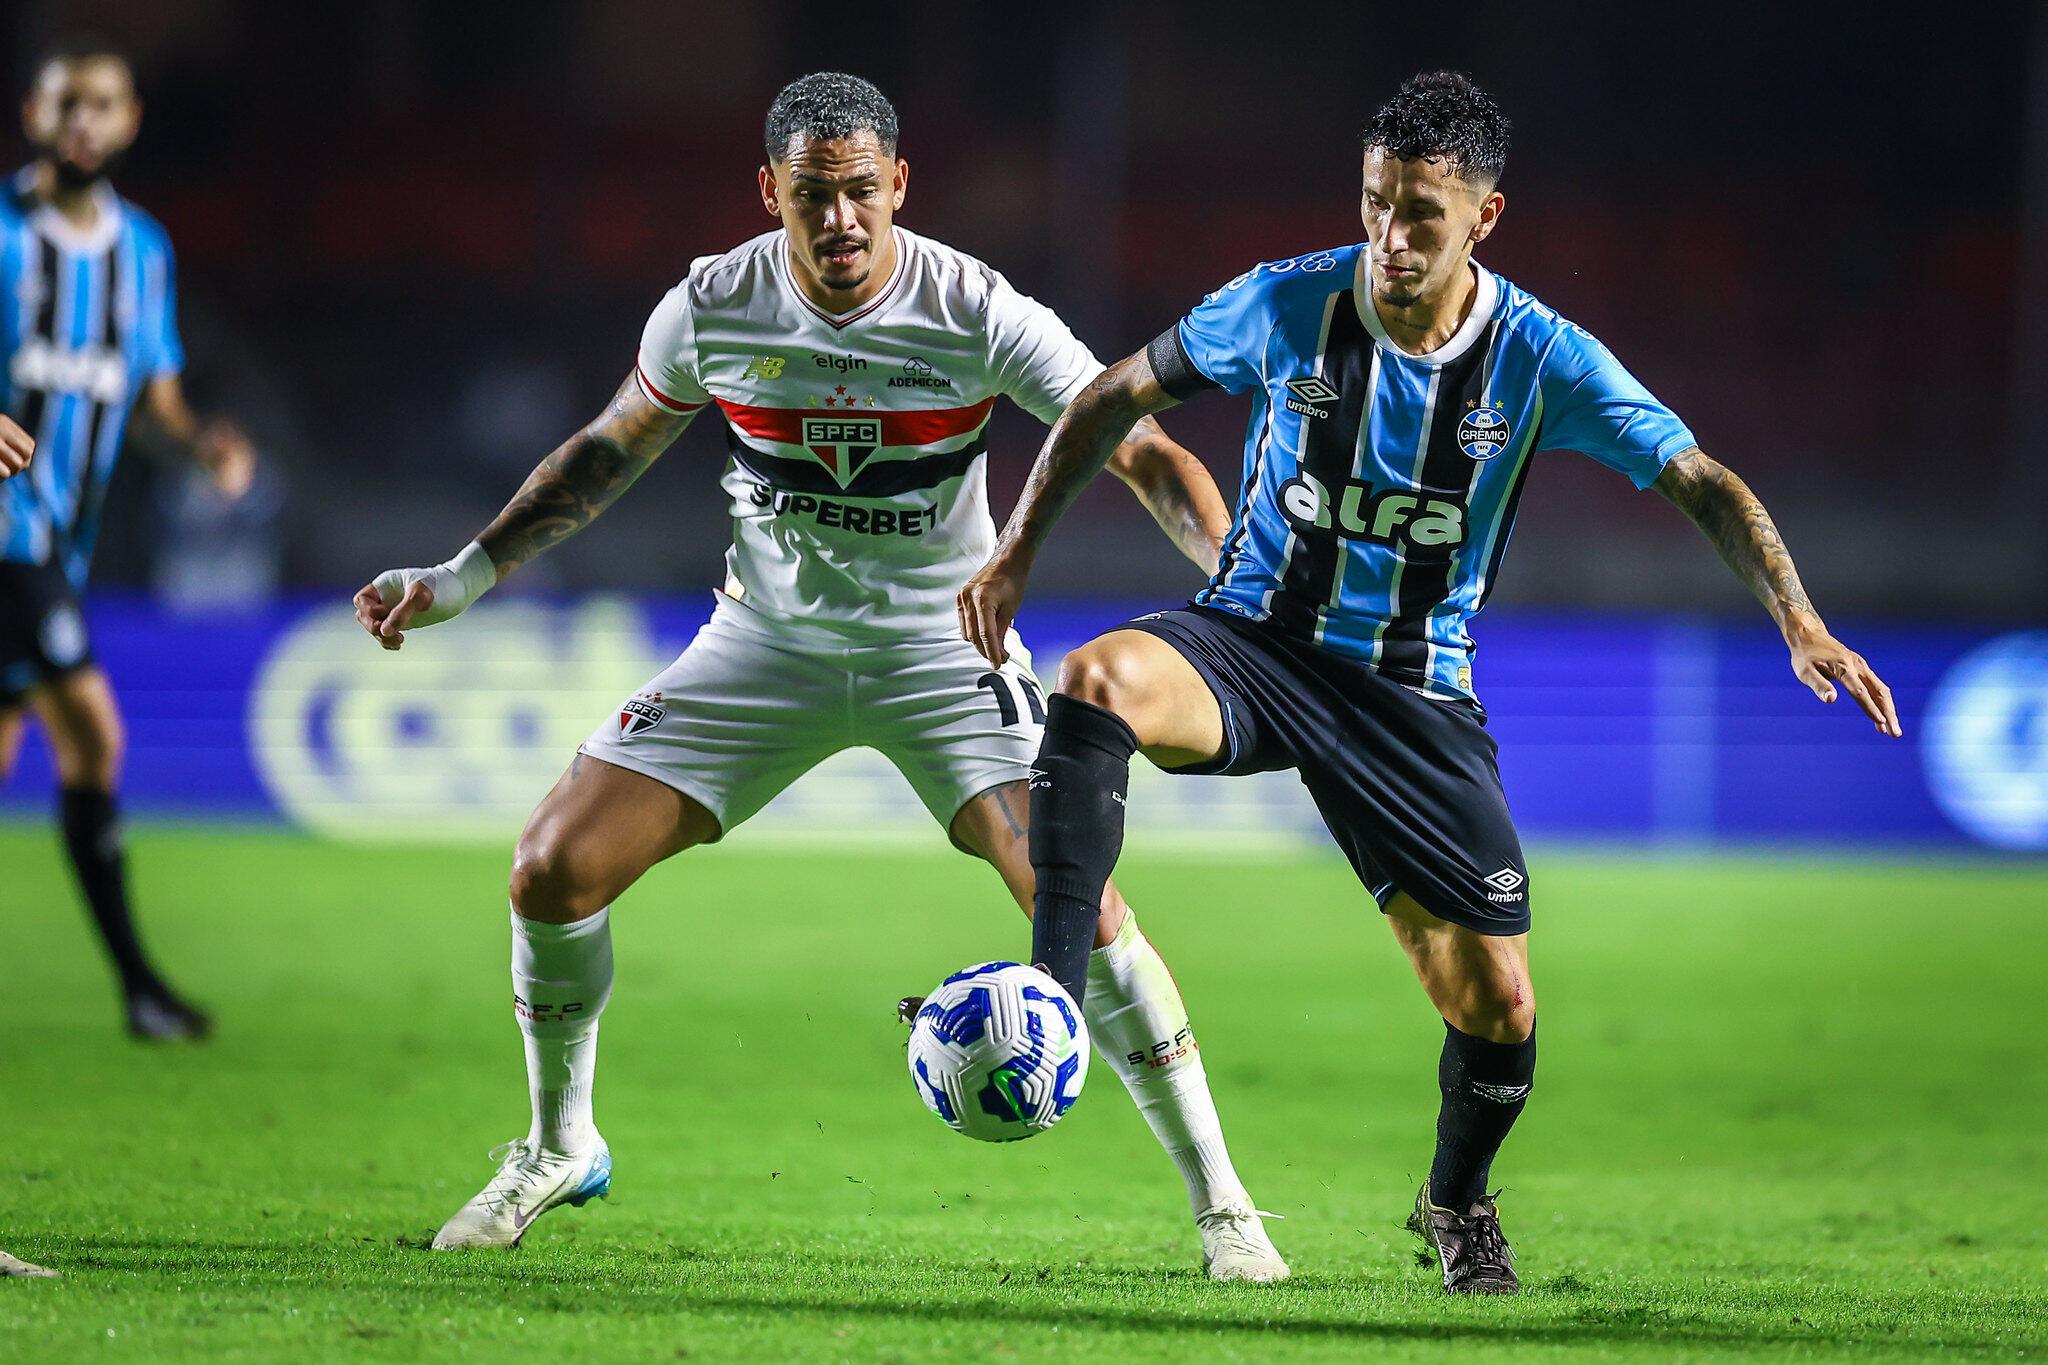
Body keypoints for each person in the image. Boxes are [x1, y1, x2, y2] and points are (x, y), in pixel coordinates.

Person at [957, 70, 1901, 1295]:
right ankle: (1047, 999)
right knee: (1098, 678)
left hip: (1411, 694)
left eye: (1421, 215)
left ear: (1483, 218)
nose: (1390, 239)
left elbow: (1700, 480)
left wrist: (1797, 616)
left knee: (1496, 1003)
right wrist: (1016, 549)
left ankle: (1451, 1204)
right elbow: (1110, 396)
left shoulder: (1541, 359)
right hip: (1255, 643)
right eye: (1375, 204)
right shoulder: (1284, 304)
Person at [356, 72, 1289, 1281]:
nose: (840, 219)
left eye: (861, 192)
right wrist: (466, 575)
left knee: (1075, 895)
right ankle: (556, 1144)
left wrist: (1237, 590)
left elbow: (1146, 452)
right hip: (765, 645)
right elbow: (602, 455)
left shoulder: (977, 308)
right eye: (812, 196)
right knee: (549, 869)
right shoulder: (712, 306)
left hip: (940, 647)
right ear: (770, 193)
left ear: (899, 185)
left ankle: (1226, 1212)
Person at [1, 38, 255, 1042]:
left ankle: (141, 994)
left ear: (129, 119)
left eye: (101, 105)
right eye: (67, 104)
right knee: (95, 735)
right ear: (33, 114)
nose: (82, 123)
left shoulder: (143, 251)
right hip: (7, 537)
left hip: (61, 538)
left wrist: (202, 446)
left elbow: (154, 402)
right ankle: (142, 991)